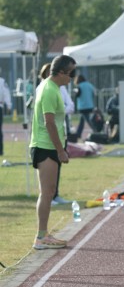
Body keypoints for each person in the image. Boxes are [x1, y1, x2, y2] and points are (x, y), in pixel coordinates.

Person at [30, 55, 77, 250]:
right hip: (45, 147)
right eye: (71, 73)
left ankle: (44, 234)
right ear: (61, 72)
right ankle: (41, 236)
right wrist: (60, 150)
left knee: (49, 192)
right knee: (47, 192)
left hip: (49, 146)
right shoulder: (49, 90)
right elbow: (49, 122)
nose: (73, 77)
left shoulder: (53, 87)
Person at [38, 63, 73, 206]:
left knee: (58, 165)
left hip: (60, 131)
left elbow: (70, 105)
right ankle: (48, 197)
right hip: (45, 137)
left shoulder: (61, 89)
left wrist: (60, 111)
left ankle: (55, 194)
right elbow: (44, 116)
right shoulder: (43, 88)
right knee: (46, 170)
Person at [74, 74, 96, 139]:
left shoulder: (79, 86)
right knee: (82, 119)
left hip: (82, 106)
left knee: (87, 120)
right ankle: (78, 133)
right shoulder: (89, 85)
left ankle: (95, 130)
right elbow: (94, 93)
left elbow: (77, 95)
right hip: (90, 105)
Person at [0, 68, 12, 156]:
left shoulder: (2, 81)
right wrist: (8, 105)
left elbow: (6, 93)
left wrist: (8, 104)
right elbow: (6, 93)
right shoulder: (2, 81)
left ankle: (0, 150)